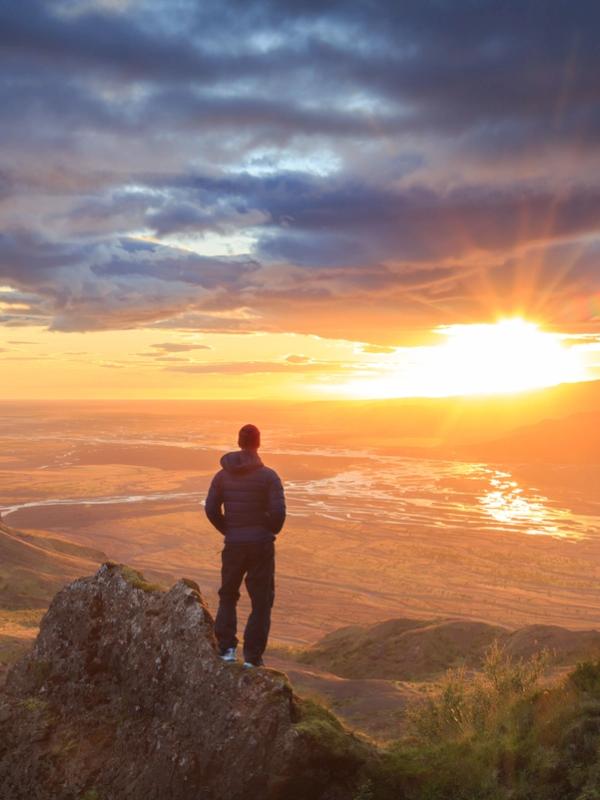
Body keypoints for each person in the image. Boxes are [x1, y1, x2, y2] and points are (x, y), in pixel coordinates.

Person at [204, 424, 286, 668]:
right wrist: (268, 530)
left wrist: (229, 530)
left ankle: (227, 649)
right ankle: (252, 658)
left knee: (228, 595)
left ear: (239, 442)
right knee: (261, 601)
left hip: (234, 545)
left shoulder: (222, 476)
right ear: (258, 443)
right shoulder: (269, 476)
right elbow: (279, 513)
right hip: (261, 545)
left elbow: (210, 509)